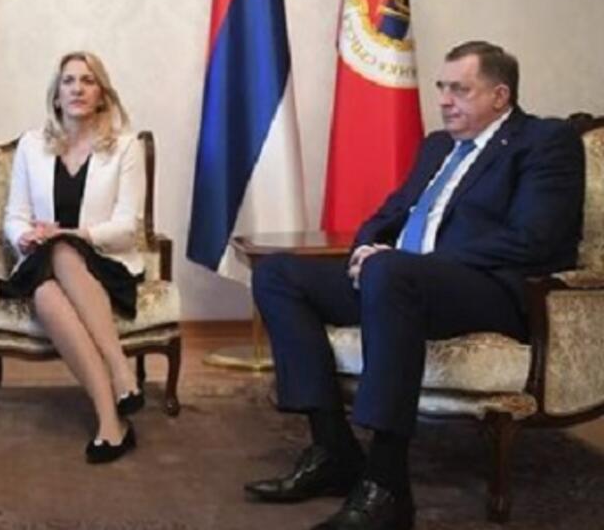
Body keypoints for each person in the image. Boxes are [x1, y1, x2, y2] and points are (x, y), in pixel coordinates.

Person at [244, 41, 585, 530]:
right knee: (278, 274)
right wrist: (365, 251)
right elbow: (388, 214)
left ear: (500, 96)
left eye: (460, 89)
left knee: (392, 272)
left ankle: (387, 485)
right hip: (399, 283)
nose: (444, 99)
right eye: (442, 87)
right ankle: (333, 449)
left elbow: (534, 237)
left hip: (487, 290)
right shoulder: (438, 146)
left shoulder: (545, 141)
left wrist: (406, 264)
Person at [0, 51, 147, 464]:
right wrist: (25, 235)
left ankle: (118, 376)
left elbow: (128, 226)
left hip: (105, 262)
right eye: (69, 81)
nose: (77, 89)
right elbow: (14, 215)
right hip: (43, 260)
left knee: (62, 254)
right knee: (46, 290)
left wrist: (70, 235)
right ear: (57, 95)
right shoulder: (32, 146)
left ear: (102, 95)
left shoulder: (126, 147)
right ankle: (112, 417)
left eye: (88, 80)